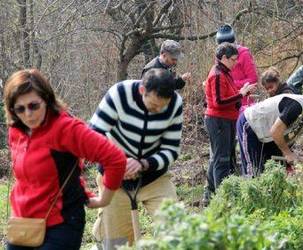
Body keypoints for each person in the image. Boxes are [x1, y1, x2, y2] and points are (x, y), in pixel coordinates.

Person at [3, 69, 126, 250]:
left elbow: (115, 159)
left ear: (46, 99)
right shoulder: (16, 130)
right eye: (20, 109)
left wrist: (104, 200)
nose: (28, 114)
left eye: (34, 105)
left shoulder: (66, 128)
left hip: (60, 224)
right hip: (23, 223)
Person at [90, 68, 183, 249]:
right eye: (154, 106)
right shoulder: (119, 94)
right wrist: (118, 163)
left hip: (153, 177)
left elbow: (171, 150)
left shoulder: (175, 104)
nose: (158, 111)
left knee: (176, 231)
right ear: (142, 90)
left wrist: (143, 164)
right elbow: (93, 134)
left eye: (163, 106)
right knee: (116, 243)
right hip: (114, 178)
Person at [236, 93, 303, 176]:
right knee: (254, 171)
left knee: (276, 171)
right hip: (250, 124)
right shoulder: (297, 106)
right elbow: (275, 131)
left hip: (268, 134)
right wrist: (288, 153)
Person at [203, 42, 255, 202]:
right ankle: (222, 198)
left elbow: (228, 96)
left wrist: (241, 94)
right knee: (222, 159)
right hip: (218, 121)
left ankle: (210, 194)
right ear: (223, 58)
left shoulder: (225, 72)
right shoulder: (218, 74)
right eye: (233, 60)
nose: (235, 63)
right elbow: (219, 102)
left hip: (225, 120)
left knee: (219, 157)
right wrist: (241, 94)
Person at [216, 24, 258, 111]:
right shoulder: (219, 57)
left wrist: (231, 84)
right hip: (227, 104)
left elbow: (253, 79)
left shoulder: (244, 54)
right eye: (221, 48)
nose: (224, 51)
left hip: (245, 104)